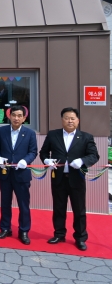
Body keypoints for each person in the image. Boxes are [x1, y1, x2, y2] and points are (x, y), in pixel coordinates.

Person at [39, 107, 100, 251]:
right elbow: (43, 152)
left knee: (79, 210)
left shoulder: (86, 137)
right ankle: (59, 234)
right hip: (58, 178)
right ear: (62, 120)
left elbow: (94, 155)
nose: (70, 121)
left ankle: (80, 237)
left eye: (73, 118)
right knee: (58, 208)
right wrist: (47, 160)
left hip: (76, 179)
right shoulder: (53, 135)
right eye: (67, 118)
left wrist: (82, 161)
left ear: (78, 121)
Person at [0, 105, 37, 245]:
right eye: (14, 115)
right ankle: (5, 228)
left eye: (19, 116)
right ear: (9, 116)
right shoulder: (1, 131)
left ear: (24, 118)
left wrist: (25, 160)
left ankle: (24, 230)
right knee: (5, 202)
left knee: (23, 204)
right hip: (5, 173)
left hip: (22, 174)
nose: (16, 118)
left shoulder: (30, 133)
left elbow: (33, 151)